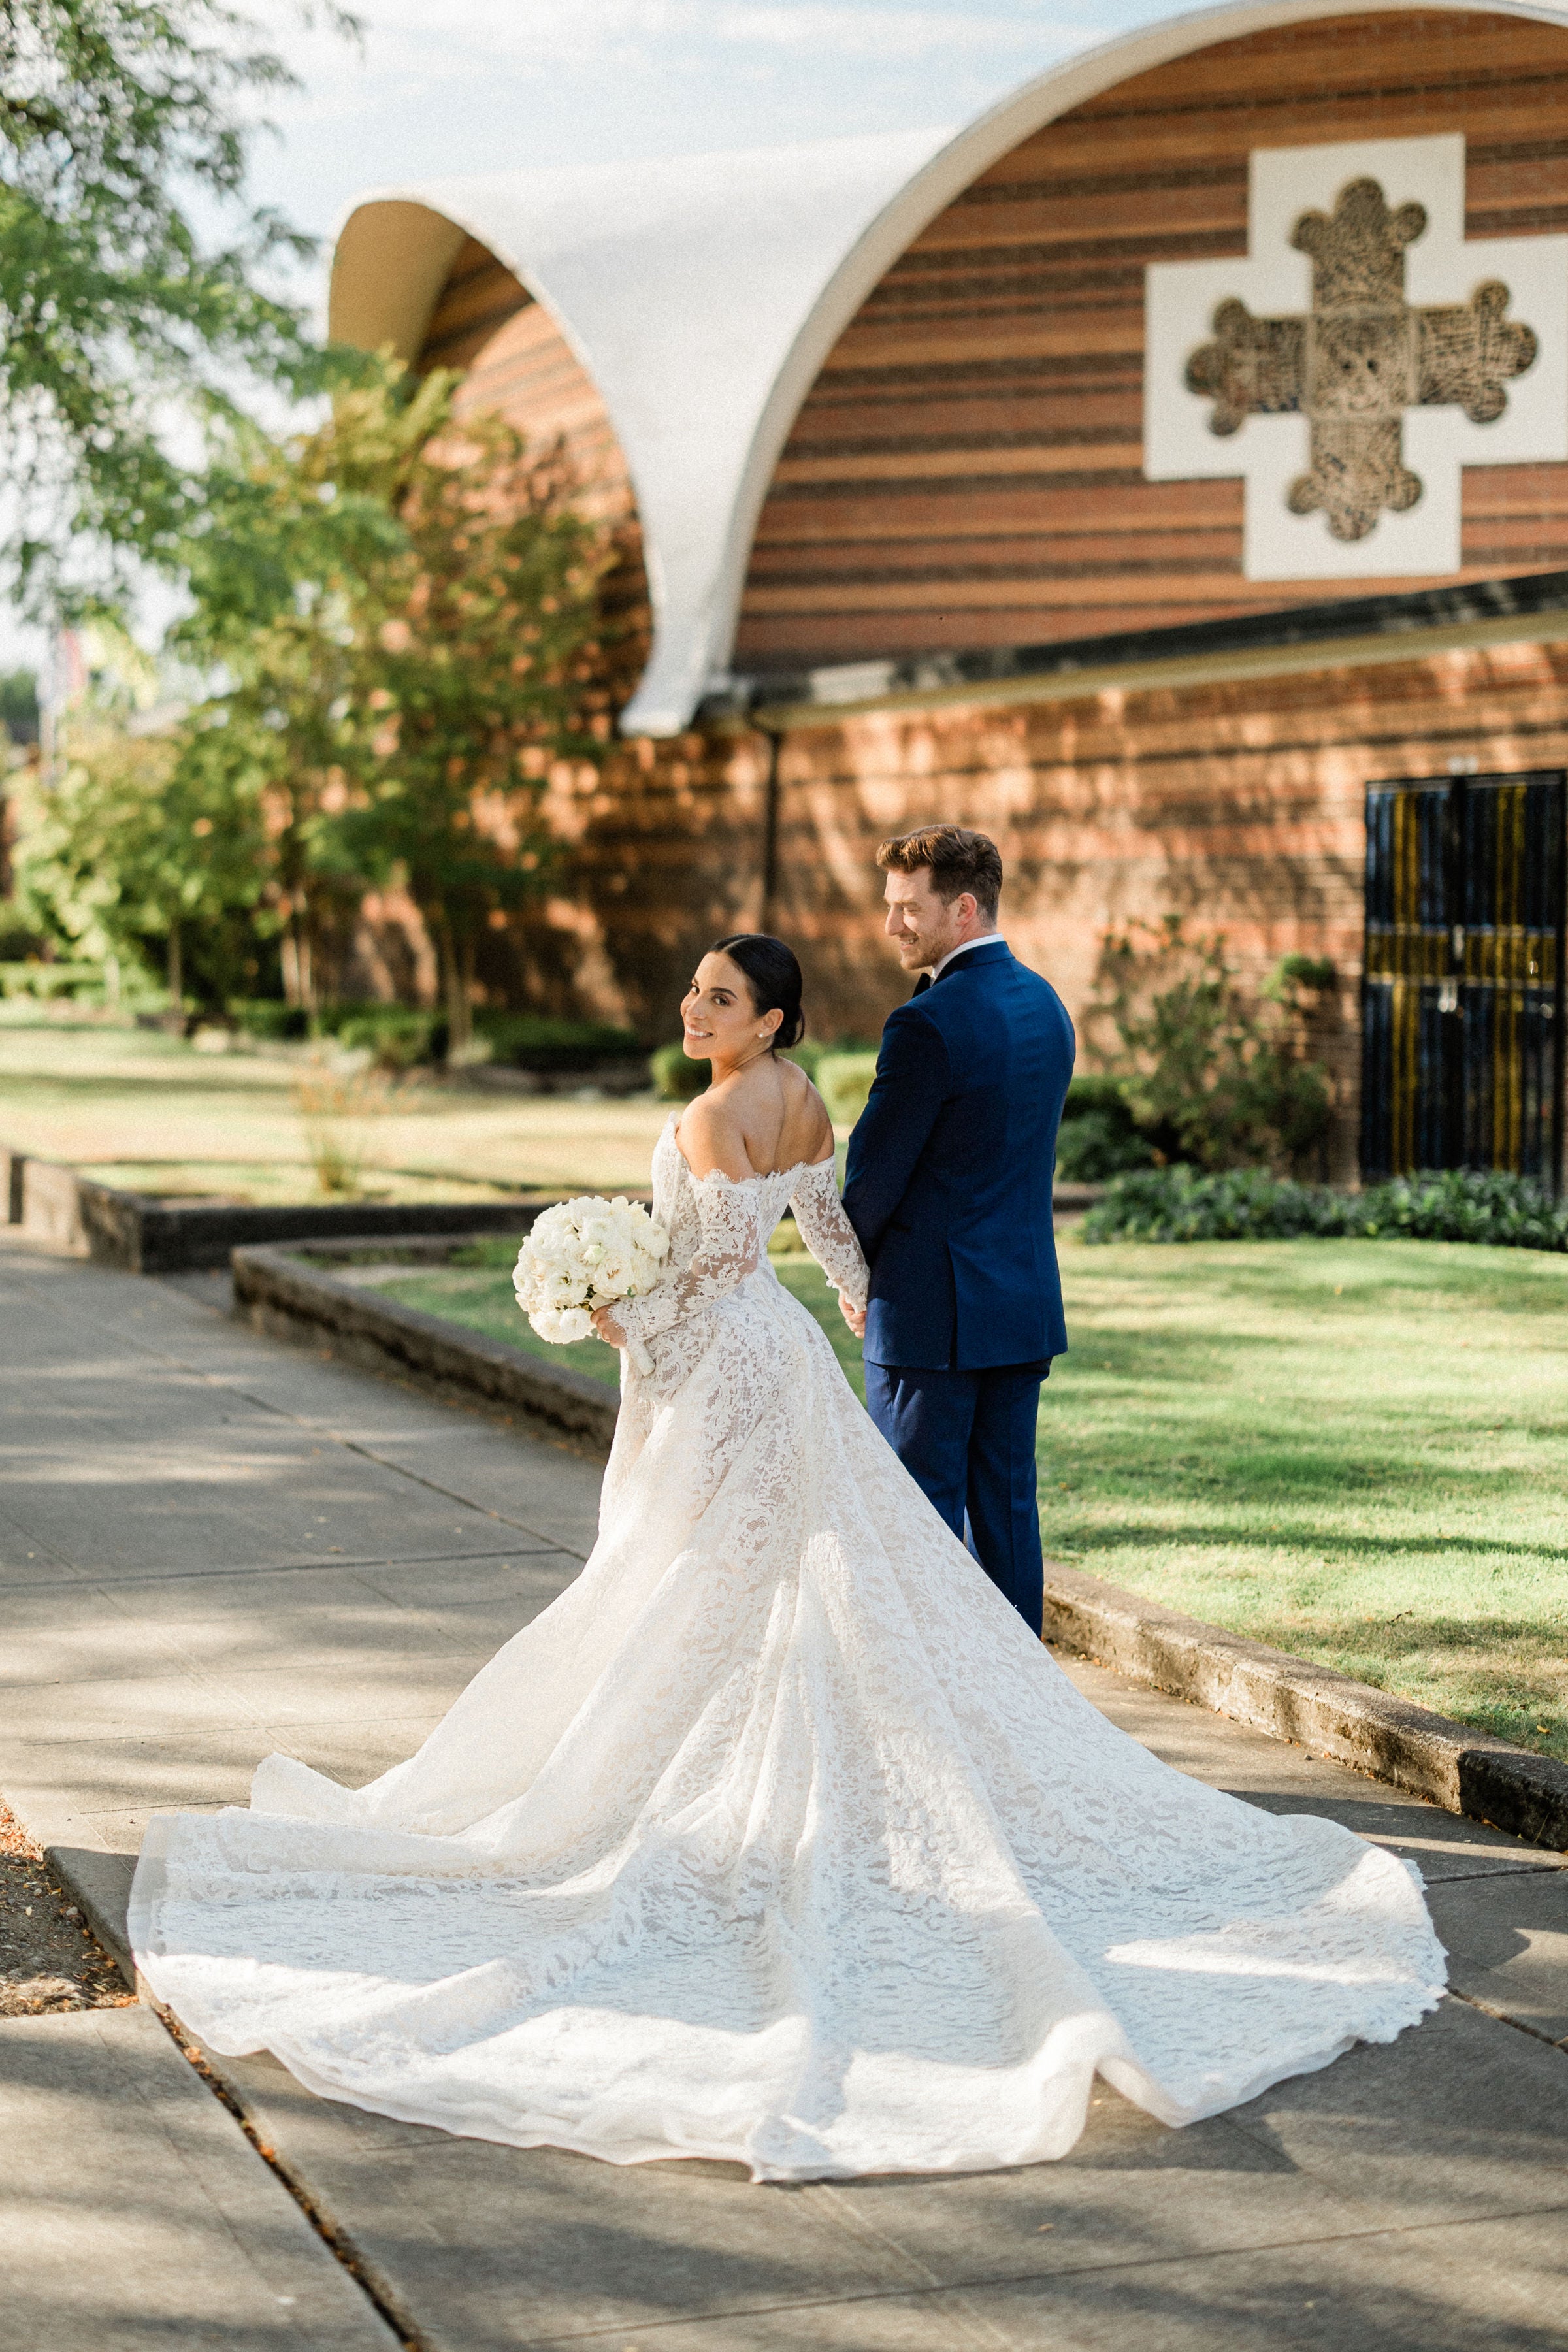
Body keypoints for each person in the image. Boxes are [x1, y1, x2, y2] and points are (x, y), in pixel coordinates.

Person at [130, 931, 1445, 2185]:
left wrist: (602, 1313)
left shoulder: (709, 1119)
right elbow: (825, 1233)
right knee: (800, 1573)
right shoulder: (811, 1098)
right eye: (694, 992)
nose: (695, 1011)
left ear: (769, 1019)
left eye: (719, 1001)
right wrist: (861, 1309)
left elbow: (694, 1283)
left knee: (686, 1577)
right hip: (790, 1359)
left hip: (719, 1365)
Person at [841, 826, 1073, 1632]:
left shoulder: (927, 1024)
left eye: (909, 908)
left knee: (916, 1516)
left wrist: (850, 1274)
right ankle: (1021, 1698)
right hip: (1020, 1304)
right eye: (890, 908)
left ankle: (938, 1699)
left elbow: (873, 1180)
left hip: (928, 1318)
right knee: (1009, 1508)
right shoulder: (1047, 1004)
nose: (892, 925)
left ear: (964, 908)